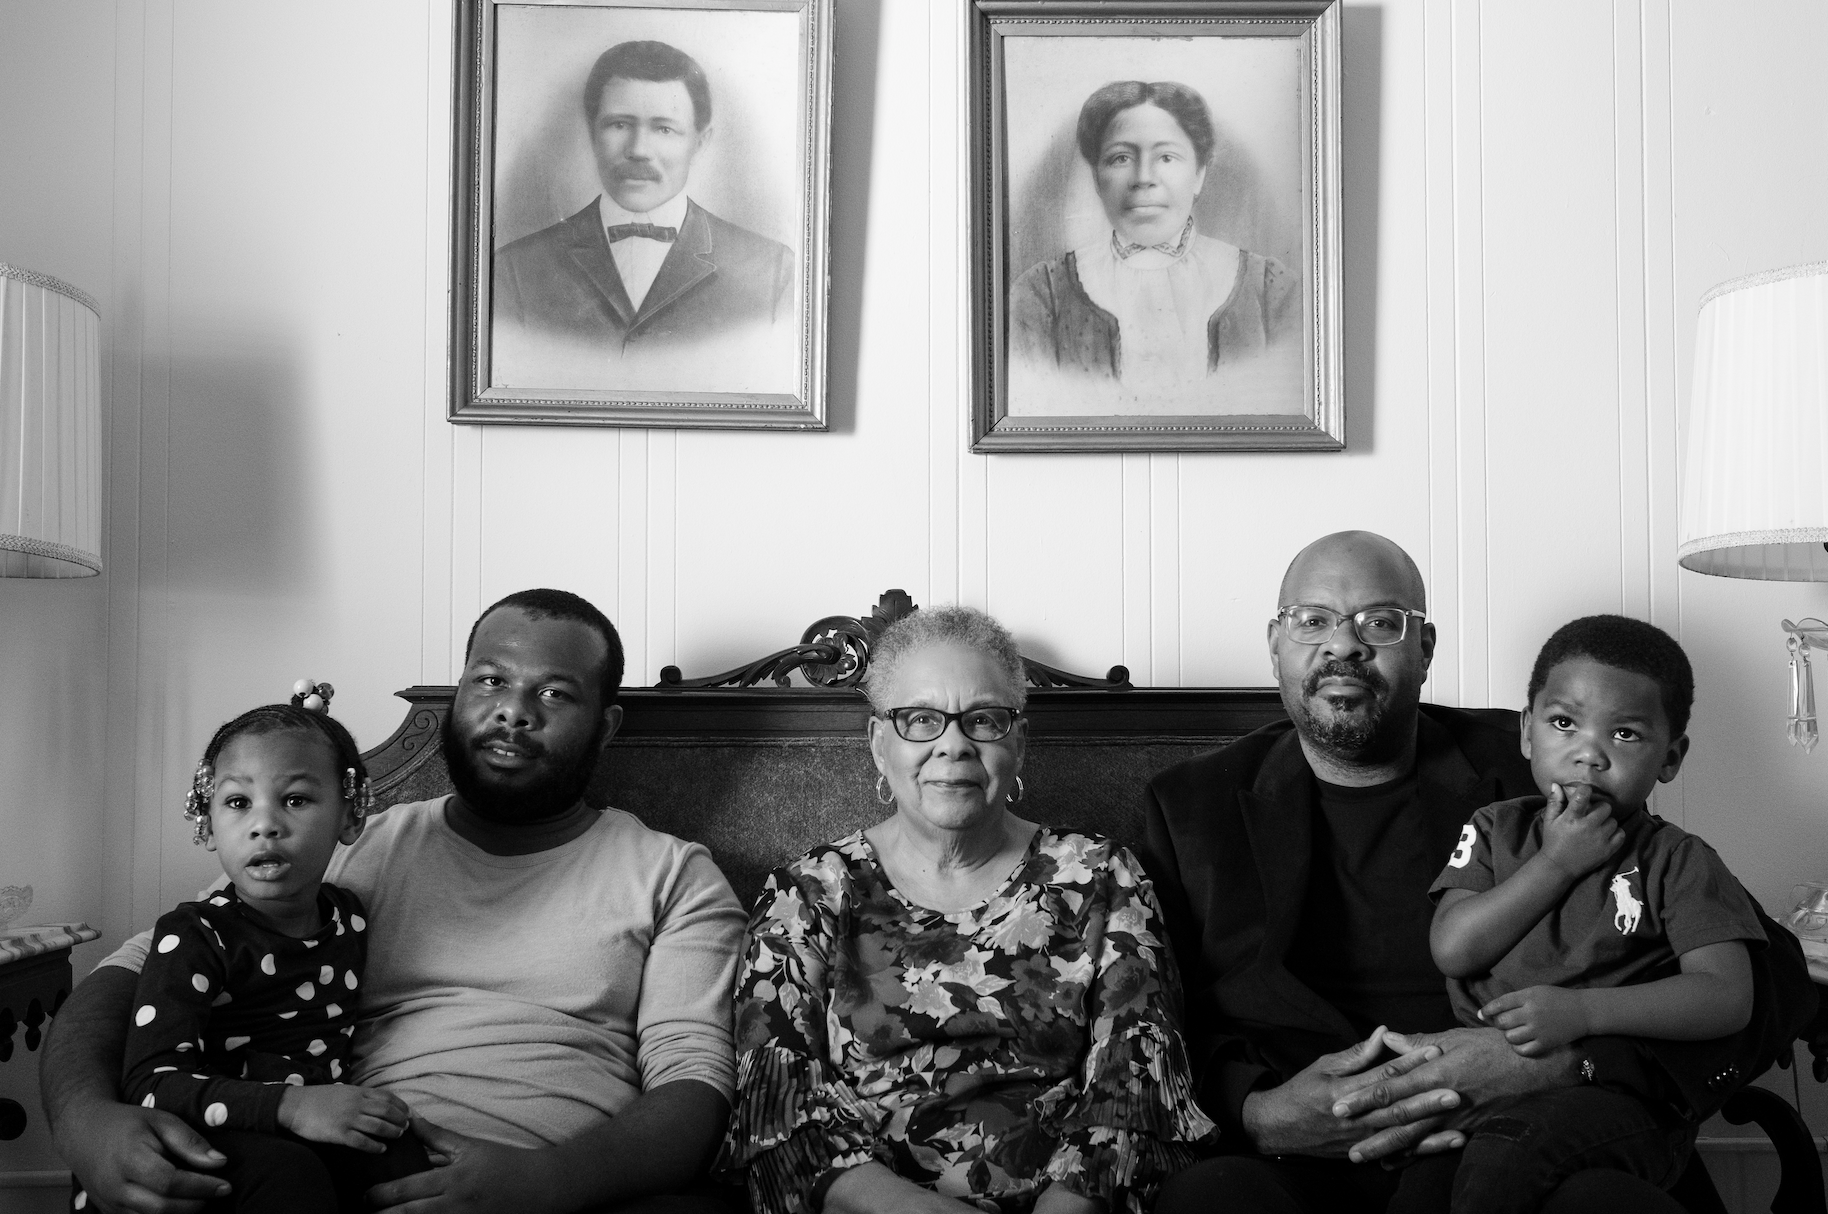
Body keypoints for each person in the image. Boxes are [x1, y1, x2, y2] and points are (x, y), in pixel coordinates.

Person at [1138, 531, 1815, 1214]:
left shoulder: (1546, 762)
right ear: (1276, 643)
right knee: (1210, 1201)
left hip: (1533, 1135)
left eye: (1381, 621)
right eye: (1311, 621)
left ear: (1425, 648)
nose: (1343, 645)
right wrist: (1258, 1109)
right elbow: (1144, 1019)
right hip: (1304, 1159)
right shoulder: (1190, 808)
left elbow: (1772, 981)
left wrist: (1574, 1059)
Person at [42, 589, 748, 1214]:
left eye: (555, 694)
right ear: (459, 695)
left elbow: (693, 1084)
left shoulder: (671, 876)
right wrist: (85, 1125)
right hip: (333, 1168)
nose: (513, 711)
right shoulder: (339, 843)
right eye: (490, 681)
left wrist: (548, 1182)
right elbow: (137, 972)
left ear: (607, 725)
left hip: (542, 1177)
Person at [722, 606, 1213, 1214]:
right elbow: (779, 1107)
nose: (953, 744)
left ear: (1019, 741)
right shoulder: (807, 891)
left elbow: (1135, 1085)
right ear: (880, 744)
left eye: (982, 719)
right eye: (921, 719)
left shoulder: (1100, 876)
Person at [1428, 616, 1766, 1213]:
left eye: (1626, 735)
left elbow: (1726, 995)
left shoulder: (1678, 859)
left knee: (1505, 1159)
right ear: (1528, 733)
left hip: (1619, 1097)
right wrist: (1555, 864)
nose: (1589, 754)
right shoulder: (1492, 830)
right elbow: (1454, 948)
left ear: (1671, 757)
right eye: (1563, 724)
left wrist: (1582, 1011)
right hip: (1481, 1078)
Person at [117, 688, 429, 1213]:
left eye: (296, 800)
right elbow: (150, 1084)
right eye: (238, 803)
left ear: (350, 819)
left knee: (401, 1157)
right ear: (208, 821)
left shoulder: (349, 916)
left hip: (314, 1119)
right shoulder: (195, 935)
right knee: (290, 1176)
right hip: (219, 1128)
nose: (265, 824)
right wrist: (288, 1104)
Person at [492, 40, 795, 380]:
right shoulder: (513, 270)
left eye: (664, 129)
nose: (638, 150)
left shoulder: (771, 271)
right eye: (619, 125)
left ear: (700, 141)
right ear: (593, 134)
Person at [1008, 80, 1298, 411]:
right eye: (1120, 158)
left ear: (1200, 173)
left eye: (1166, 157)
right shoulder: (1040, 297)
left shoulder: (1271, 291)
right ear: (1096, 178)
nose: (1143, 177)